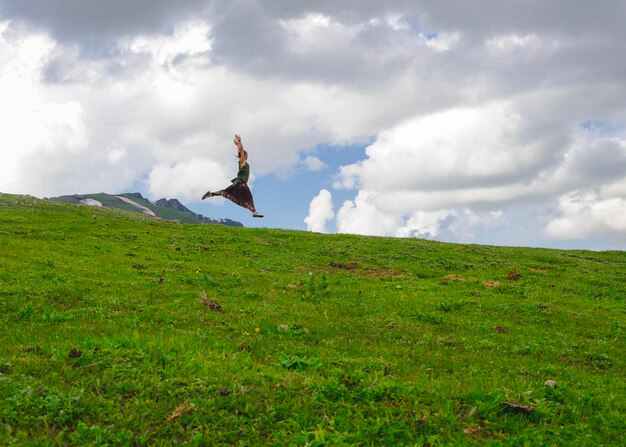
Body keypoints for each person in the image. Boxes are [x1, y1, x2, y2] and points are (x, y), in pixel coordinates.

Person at [202, 134, 263, 218]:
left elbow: (240, 151)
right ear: (244, 156)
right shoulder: (243, 163)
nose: (247, 157)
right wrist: (239, 143)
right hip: (242, 184)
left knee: (226, 192)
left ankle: (211, 194)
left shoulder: (243, 163)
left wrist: (239, 145)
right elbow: (241, 151)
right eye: (246, 155)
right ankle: (254, 212)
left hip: (237, 184)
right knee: (249, 199)